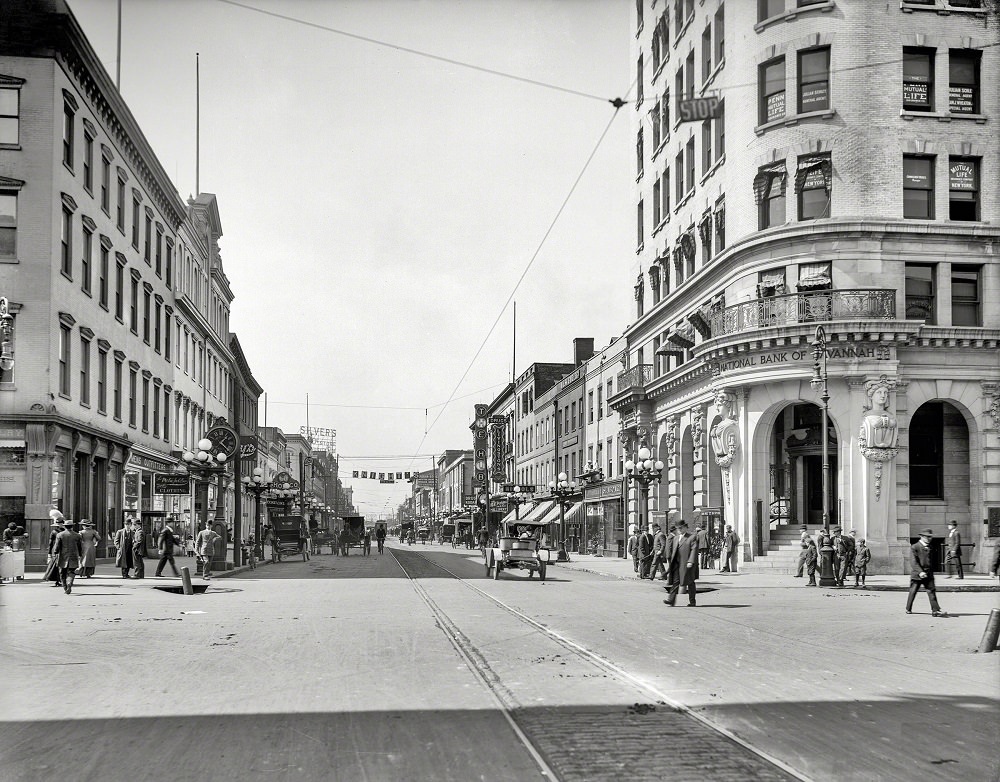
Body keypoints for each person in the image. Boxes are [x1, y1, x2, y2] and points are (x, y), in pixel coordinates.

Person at [906, 528, 943, 616]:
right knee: (913, 591)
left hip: (928, 574)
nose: (930, 539)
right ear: (922, 537)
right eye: (927, 537)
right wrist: (920, 572)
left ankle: (935, 610)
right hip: (917, 574)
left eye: (930, 537)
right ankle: (908, 608)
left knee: (931, 591)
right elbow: (913, 561)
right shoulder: (915, 547)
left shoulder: (930, 547)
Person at [664, 519, 700, 607]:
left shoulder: (691, 537)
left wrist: (691, 561)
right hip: (677, 564)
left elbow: (694, 550)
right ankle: (671, 600)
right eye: (677, 528)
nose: (679, 530)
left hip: (687, 564)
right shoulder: (676, 538)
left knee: (690, 582)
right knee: (676, 582)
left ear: (685, 528)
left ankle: (692, 601)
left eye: (681, 528)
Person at [52, 520, 83, 594]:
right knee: (71, 572)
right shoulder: (77, 535)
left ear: (64, 526)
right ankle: (69, 583)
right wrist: (80, 554)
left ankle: (65, 587)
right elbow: (80, 547)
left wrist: (55, 552)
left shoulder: (60, 535)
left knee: (62, 573)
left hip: (62, 556)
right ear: (72, 526)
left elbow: (56, 546)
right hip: (73, 556)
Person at [43, 512, 66, 587]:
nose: (60, 525)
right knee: (57, 565)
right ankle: (58, 580)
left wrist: (50, 553)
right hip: (58, 550)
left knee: (57, 565)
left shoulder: (55, 532)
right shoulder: (57, 532)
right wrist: (49, 553)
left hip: (57, 550)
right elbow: (50, 543)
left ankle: (59, 580)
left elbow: (50, 543)